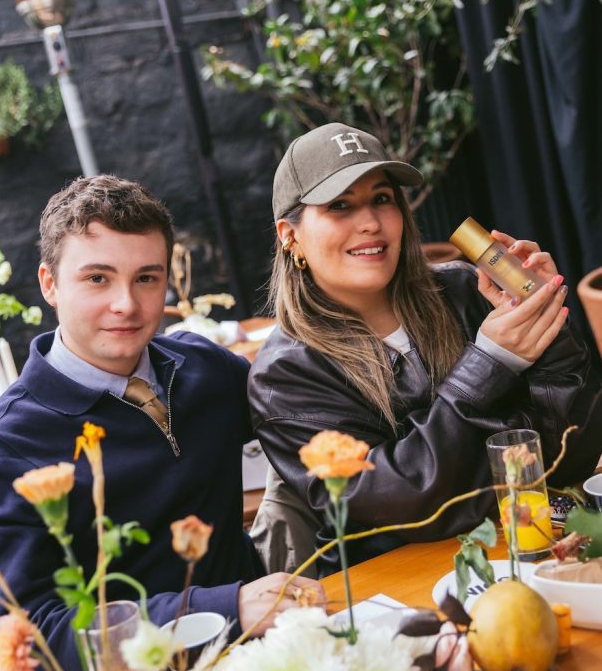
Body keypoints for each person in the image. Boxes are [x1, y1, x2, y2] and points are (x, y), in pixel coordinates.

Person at [0, 174, 323, 671]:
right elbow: (31, 637)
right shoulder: (0, 450)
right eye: (97, 279)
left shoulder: (206, 368)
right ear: (49, 285)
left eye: (146, 278)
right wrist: (226, 607)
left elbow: (309, 417)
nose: (126, 304)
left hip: (265, 662)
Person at [248, 122, 602, 573]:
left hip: (525, 549)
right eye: (340, 206)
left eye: (382, 198)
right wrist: (491, 364)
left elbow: (572, 456)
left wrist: (546, 332)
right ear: (289, 235)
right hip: (394, 587)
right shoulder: (284, 375)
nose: (371, 223)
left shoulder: (462, 291)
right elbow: (400, 501)